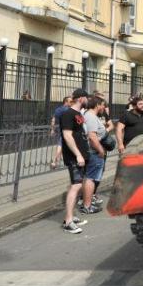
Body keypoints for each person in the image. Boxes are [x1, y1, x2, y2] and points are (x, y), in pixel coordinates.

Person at [59, 89, 90, 234]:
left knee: (76, 185)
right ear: (81, 98)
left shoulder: (78, 114)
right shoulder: (67, 114)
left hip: (82, 155)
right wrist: (78, 154)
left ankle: (70, 217)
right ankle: (68, 222)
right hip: (74, 157)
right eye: (87, 98)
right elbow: (67, 136)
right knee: (76, 186)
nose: (88, 100)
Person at [79, 96, 107, 215]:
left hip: (92, 151)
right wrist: (101, 150)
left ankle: (87, 202)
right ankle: (87, 205)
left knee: (89, 177)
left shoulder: (90, 116)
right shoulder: (90, 117)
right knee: (90, 179)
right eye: (103, 105)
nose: (104, 108)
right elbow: (92, 137)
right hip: (94, 152)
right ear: (97, 105)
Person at [49, 97, 72, 170]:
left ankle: (58, 161)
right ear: (66, 102)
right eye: (70, 101)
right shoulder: (67, 110)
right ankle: (54, 162)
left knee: (62, 145)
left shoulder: (58, 109)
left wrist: (52, 129)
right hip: (65, 130)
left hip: (59, 129)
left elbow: (53, 119)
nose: (72, 103)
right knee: (61, 145)